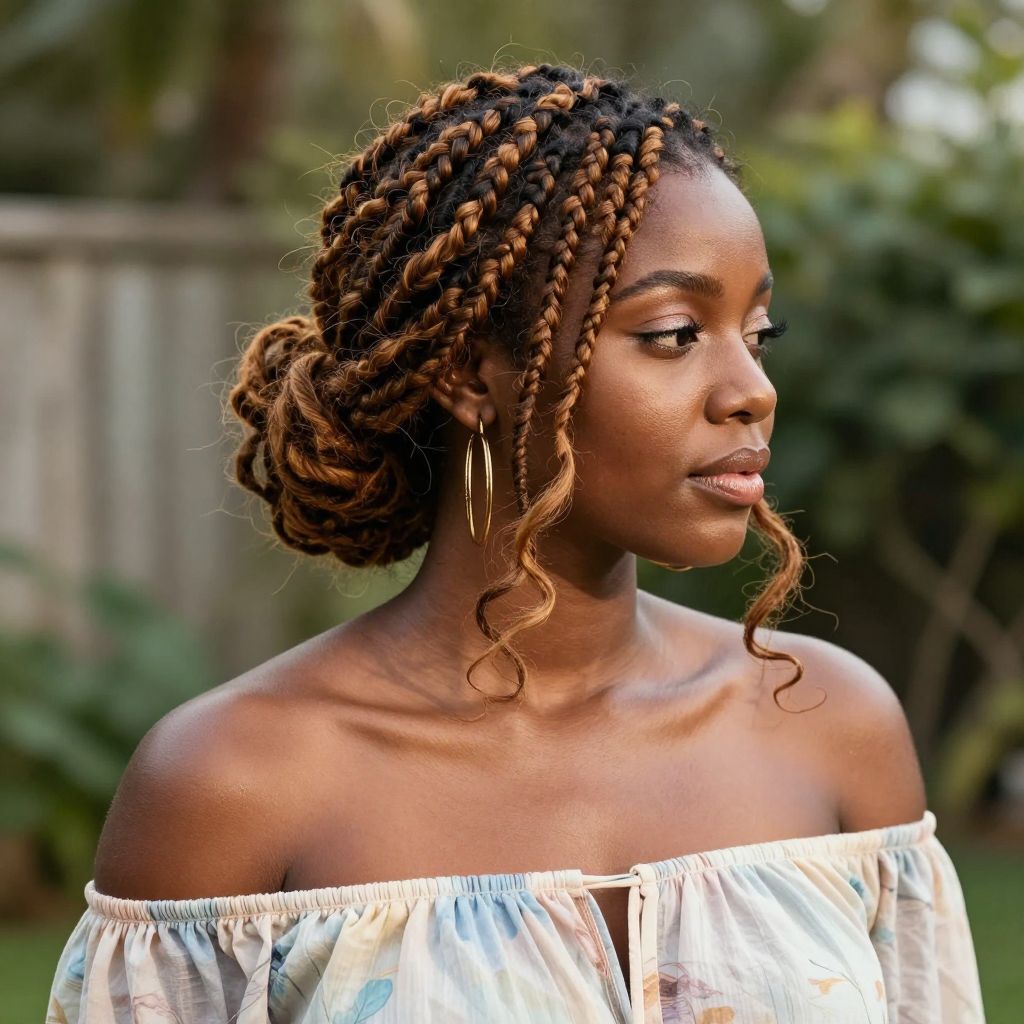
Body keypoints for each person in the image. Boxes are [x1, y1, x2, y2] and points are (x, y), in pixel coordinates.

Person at [46, 62, 986, 1023]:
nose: (753, 388)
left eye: (758, 329)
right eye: (672, 333)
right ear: (471, 374)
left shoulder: (831, 726)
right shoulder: (233, 782)